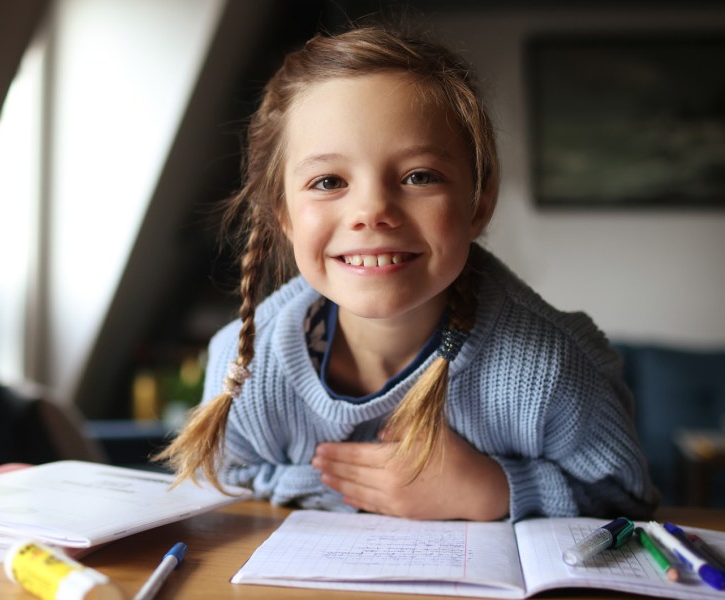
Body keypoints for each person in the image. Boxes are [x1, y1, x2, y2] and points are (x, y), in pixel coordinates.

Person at [157, 23, 660, 522]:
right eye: (329, 181)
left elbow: (626, 500)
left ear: (478, 203)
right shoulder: (246, 365)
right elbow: (225, 485)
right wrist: (352, 489)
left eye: (419, 176)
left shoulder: (548, 368)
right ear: (283, 214)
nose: (372, 210)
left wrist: (492, 490)